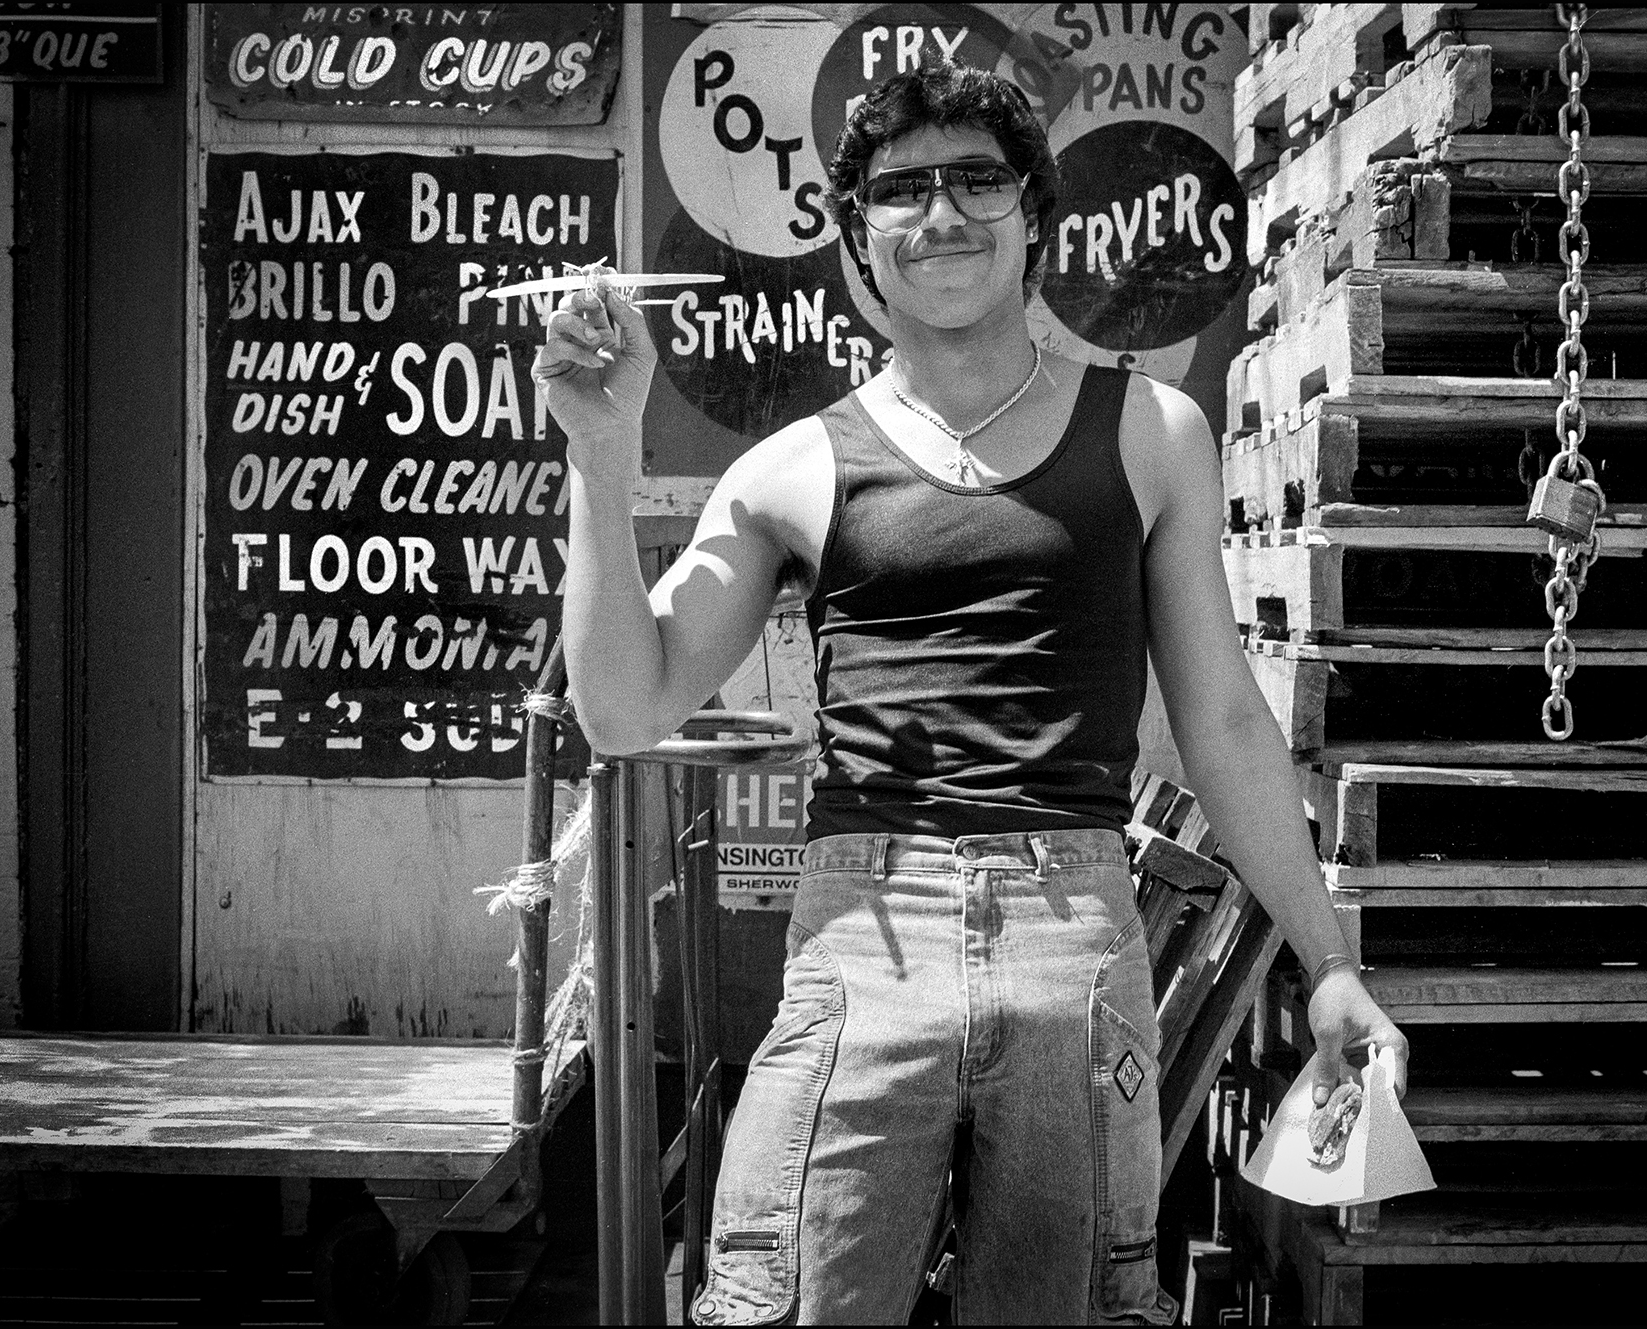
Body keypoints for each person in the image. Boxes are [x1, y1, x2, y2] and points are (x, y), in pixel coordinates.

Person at [535, 60, 1408, 1327]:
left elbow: (1221, 720)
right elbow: (624, 709)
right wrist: (598, 456)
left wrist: (1326, 961)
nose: (940, 212)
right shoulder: (790, 469)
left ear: (1034, 219)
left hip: (1074, 946)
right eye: (901, 190)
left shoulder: (1150, 432)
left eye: (976, 180)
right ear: (857, 246)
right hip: (858, 946)